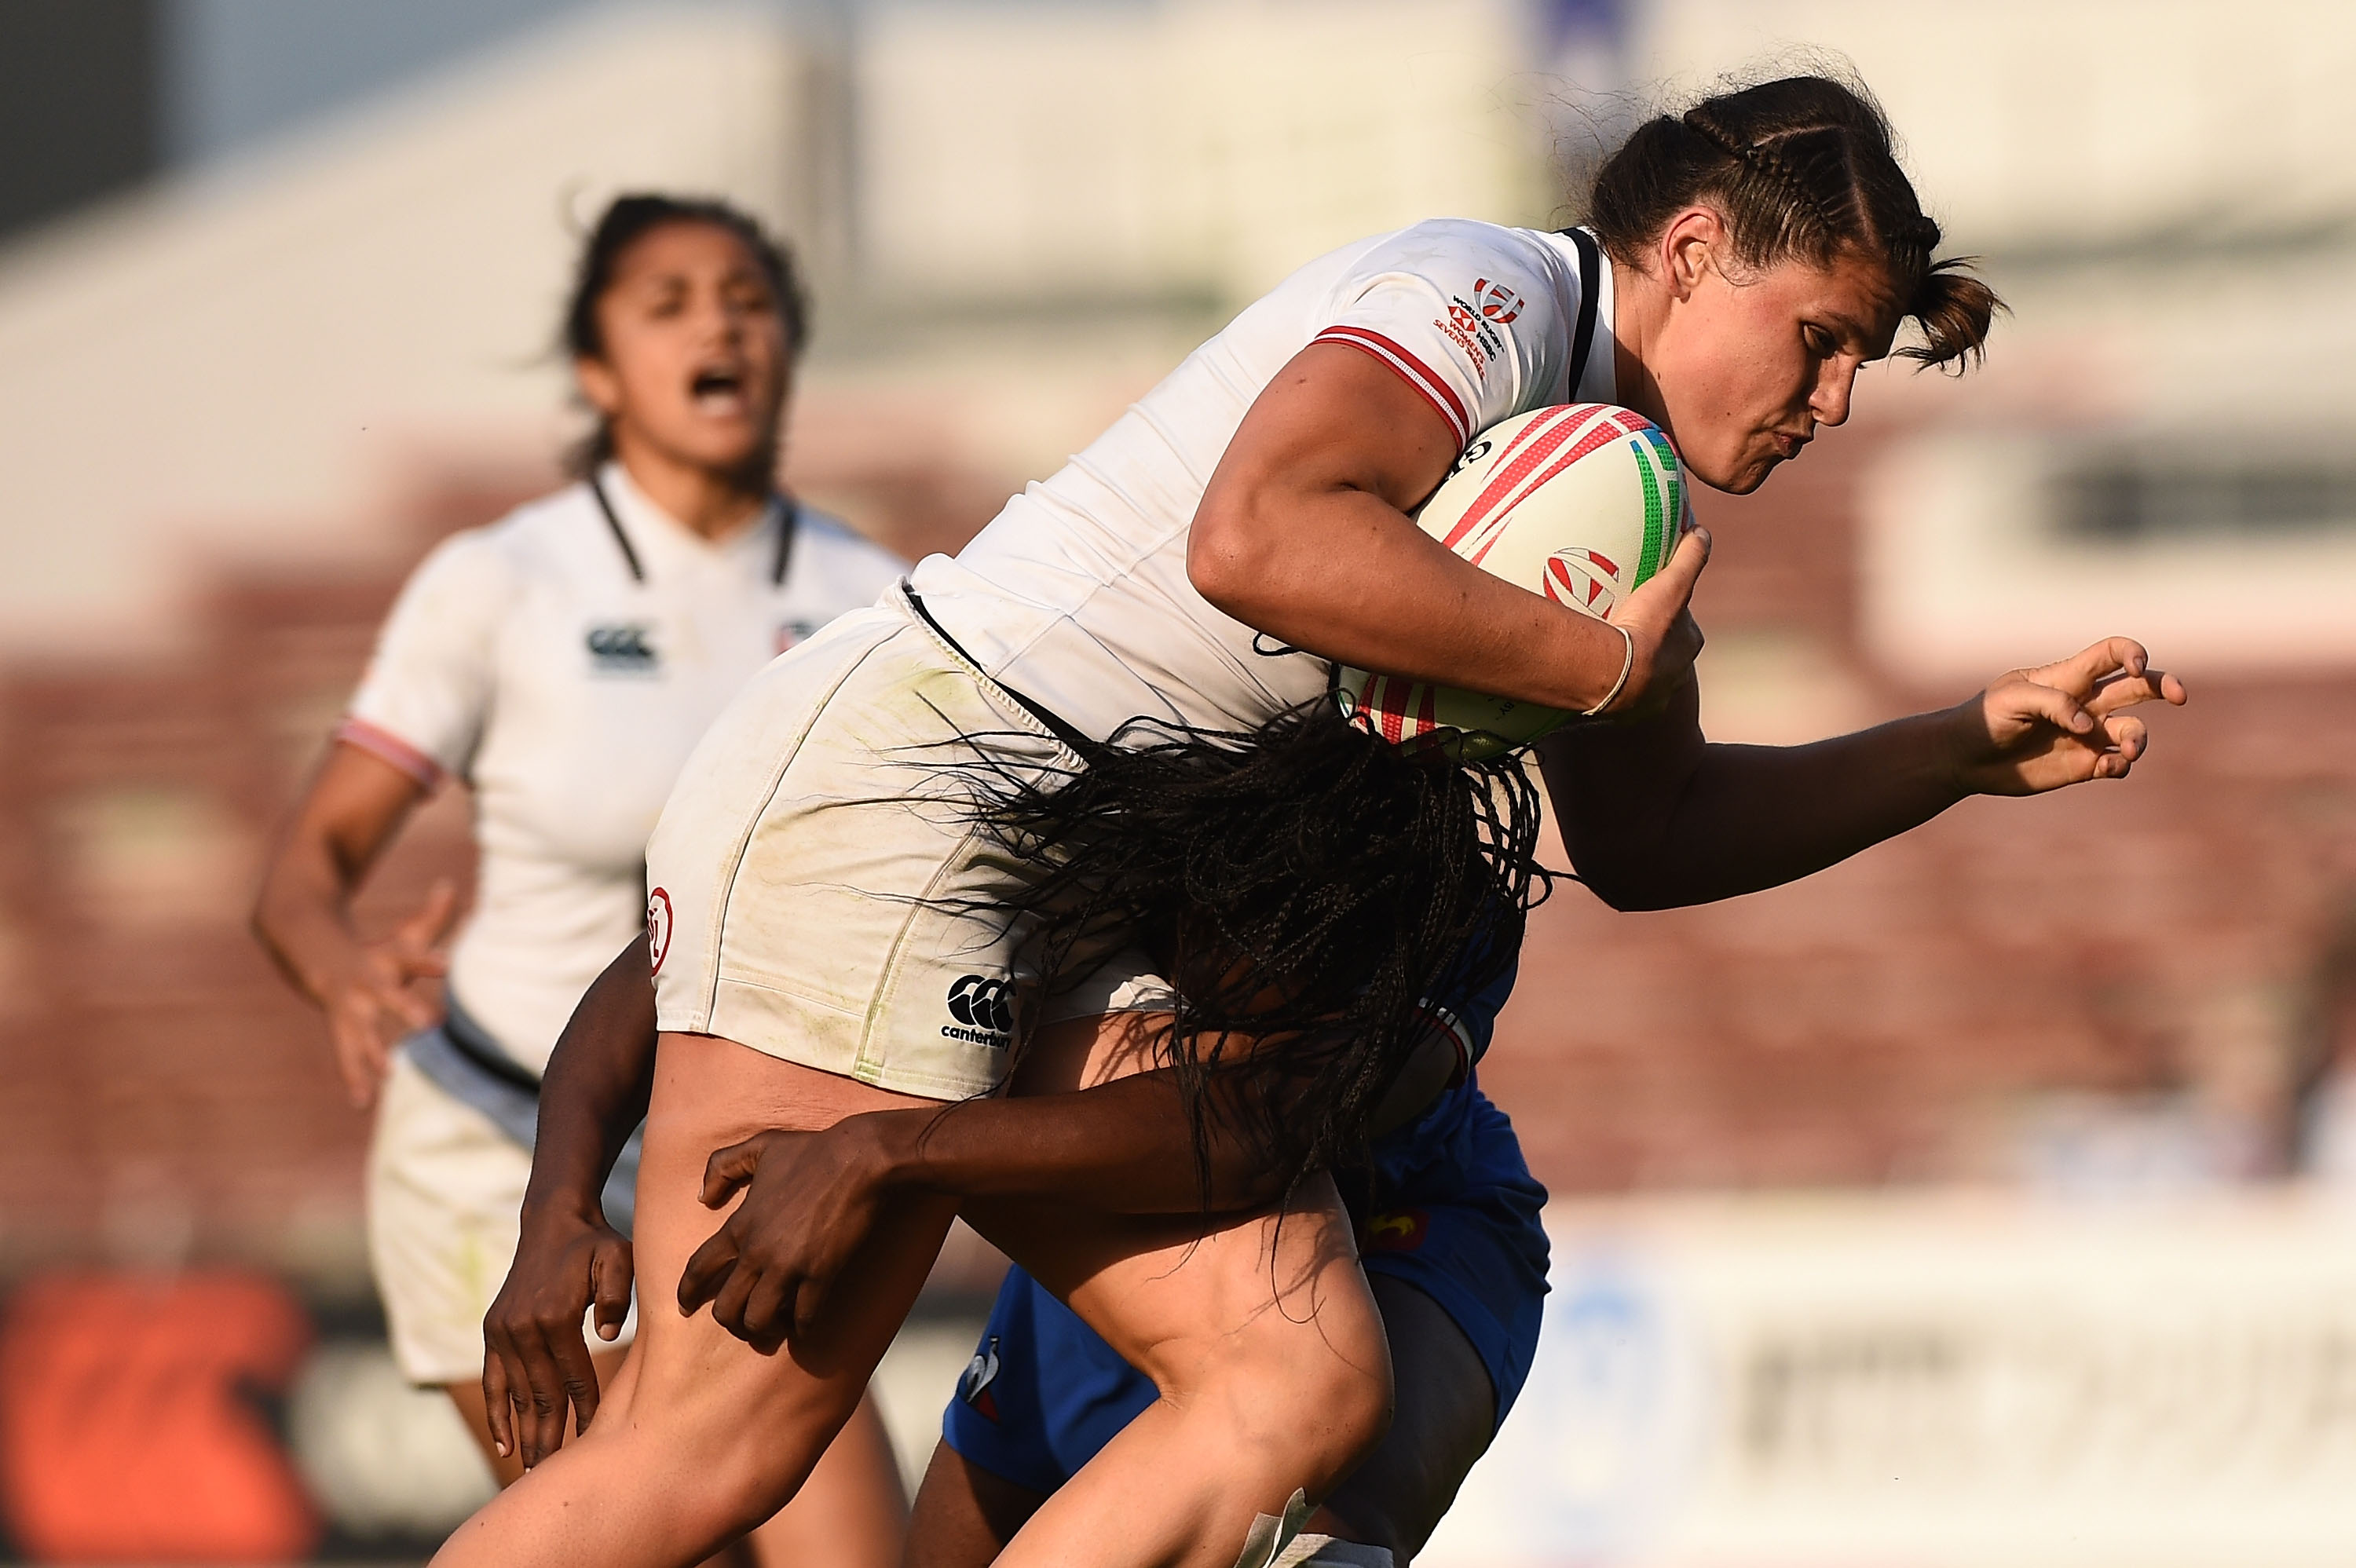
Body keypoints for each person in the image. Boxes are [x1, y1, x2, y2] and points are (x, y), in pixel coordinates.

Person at [437, 73, 2179, 1568]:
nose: (1836, 402)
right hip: (910, 795)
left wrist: (1958, 747)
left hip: (1036, 872)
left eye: (1862, 363)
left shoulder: (1606, 510)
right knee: (713, 1459)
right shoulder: (1480, 297)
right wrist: (1591, 666)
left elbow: (1653, 838)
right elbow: (1258, 536)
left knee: (1300, 1382)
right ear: (1697, 246)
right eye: (1821, 341)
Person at [251, 194, 911, 1566]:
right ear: (599, 372)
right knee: (660, 1540)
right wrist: (349, 971)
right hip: (494, 1144)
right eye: (666, 303)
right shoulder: (502, 580)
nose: (718, 323)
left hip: (726, 1163)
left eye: (745, 298)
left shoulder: (880, 596)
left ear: (786, 346)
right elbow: (301, 877)